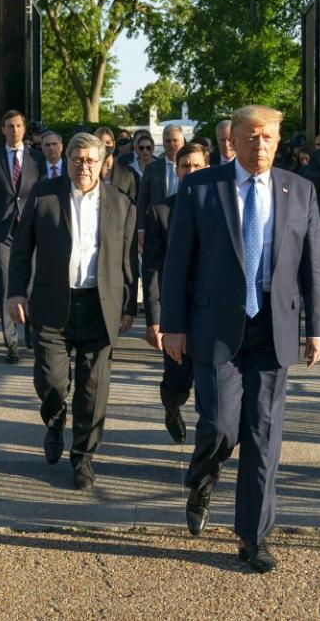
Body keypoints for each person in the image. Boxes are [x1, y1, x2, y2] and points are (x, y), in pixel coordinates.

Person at [160, 104, 320, 573]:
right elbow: (177, 263)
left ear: (278, 141)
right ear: (231, 139)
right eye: (252, 137)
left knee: (263, 436)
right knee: (219, 425)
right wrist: (172, 325)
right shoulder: (201, 188)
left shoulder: (300, 191)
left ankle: (252, 537)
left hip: (273, 328)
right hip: (214, 327)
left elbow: (312, 264)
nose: (261, 145)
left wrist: (318, 326)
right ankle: (201, 478)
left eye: (269, 137)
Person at [7, 133, 138, 490]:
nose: (83, 166)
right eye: (77, 159)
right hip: (51, 304)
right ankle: (54, 419)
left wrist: (129, 306)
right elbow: (21, 250)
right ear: (67, 161)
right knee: (50, 381)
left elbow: (129, 261)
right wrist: (16, 293)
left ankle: (83, 457)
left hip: (99, 305)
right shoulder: (45, 194)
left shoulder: (121, 203)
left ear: (102, 164)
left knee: (94, 389)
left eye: (90, 160)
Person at [142, 143, 210, 443]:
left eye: (197, 166)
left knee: (214, 386)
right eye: (186, 167)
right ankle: (172, 408)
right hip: (177, 313)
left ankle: (210, 434)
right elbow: (153, 269)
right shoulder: (161, 212)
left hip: (213, 312)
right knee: (177, 382)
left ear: (207, 169)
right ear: (177, 171)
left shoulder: (224, 208)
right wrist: (155, 320)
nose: (191, 172)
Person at [0, 109, 41, 363]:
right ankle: (11, 343)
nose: (15, 130)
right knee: (5, 287)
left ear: (24, 129)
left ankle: (31, 335)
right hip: (3, 231)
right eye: (10, 126)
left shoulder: (37, 159)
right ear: (3, 129)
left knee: (32, 284)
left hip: (30, 229)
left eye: (18, 125)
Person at [137, 124, 185, 250]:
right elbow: (142, 202)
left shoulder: (191, 167)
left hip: (185, 223)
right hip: (157, 227)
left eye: (175, 140)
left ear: (183, 142)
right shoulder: (152, 168)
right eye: (168, 141)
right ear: (163, 143)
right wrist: (140, 229)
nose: (171, 144)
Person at [94, 127, 137, 201]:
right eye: (101, 143)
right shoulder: (91, 169)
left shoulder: (127, 170)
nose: (105, 146)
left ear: (113, 143)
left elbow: (133, 198)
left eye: (108, 142)